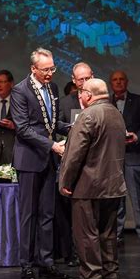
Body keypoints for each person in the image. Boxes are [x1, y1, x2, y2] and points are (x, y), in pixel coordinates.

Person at [59, 78, 127, 279]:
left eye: (81, 93)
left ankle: (91, 274)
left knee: (86, 233)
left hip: (88, 185)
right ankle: (110, 272)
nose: (79, 96)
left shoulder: (88, 115)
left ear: (89, 95)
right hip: (113, 184)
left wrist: (65, 181)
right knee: (108, 232)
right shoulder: (116, 113)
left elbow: (74, 154)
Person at [10, 47, 69, 279]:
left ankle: (46, 263)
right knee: (28, 215)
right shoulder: (20, 91)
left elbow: (52, 123)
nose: (50, 74)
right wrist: (52, 145)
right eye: (45, 70)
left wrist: (76, 127)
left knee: (47, 214)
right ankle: (26, 264)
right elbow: (23, 129)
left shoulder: (52, 88)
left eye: (52, 69)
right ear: (33, 69)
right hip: (29, 160)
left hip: (47, 161)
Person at [54, 62, 94, 267]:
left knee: (91, 213)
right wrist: (71, 129)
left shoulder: (100, 101)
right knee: (69, 211)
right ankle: (72, 253)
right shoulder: (64, 102)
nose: (85, 82)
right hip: (71, 161)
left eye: (88, 78)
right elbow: (55, 125)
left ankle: (91, 255)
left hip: (94, 164)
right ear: (74, 80)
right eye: (81, 79)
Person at [110, 70, 140, 249]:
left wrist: (137, 136)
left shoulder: (139, 100)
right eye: (115, 80)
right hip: (111, 157)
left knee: (136, 197)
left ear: (127, 82)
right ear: (111, 83)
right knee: (115, 198)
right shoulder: (106, 102)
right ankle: (117, 235)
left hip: (133, 153)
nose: (118, 82)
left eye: (121, 79)